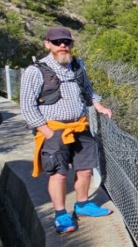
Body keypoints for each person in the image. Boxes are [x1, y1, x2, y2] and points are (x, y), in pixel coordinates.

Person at [20, 27, 114, 234]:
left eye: (66, 42)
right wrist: (46, 131)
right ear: (47, 44)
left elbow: (88, 90)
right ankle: (61, 215)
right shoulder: (36, 71)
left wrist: (98, 106)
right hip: (54, 130)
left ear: (71, 44)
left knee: (85, 169)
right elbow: (27, 105)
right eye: (57, 42)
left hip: (80, 126)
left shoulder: (77, 65)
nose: (62, 45)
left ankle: (82, 205)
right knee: (58, 174)